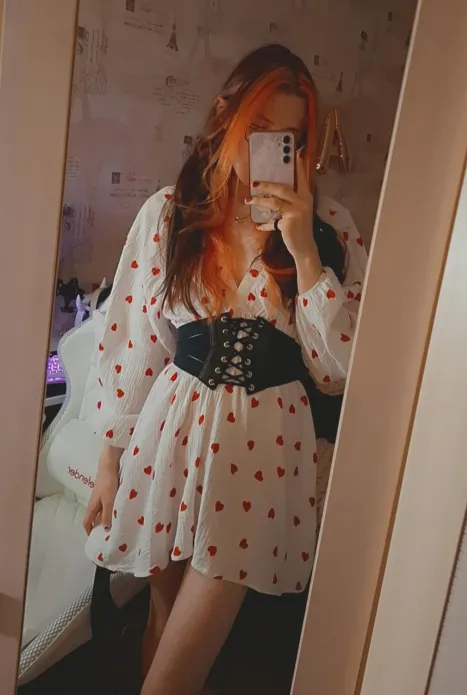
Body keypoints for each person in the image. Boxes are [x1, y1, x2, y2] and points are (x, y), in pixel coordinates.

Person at [83, 43, 367, 695]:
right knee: (161, 625)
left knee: (176, 672)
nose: (272, 148)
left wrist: (303, 251)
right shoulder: (170, 212)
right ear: (225, 115)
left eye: (290, 137)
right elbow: (133, 346)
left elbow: (338, 370)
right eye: (258, 128)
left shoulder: (330, 228)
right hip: (170, 438)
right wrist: (108, 462)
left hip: (261, 453)